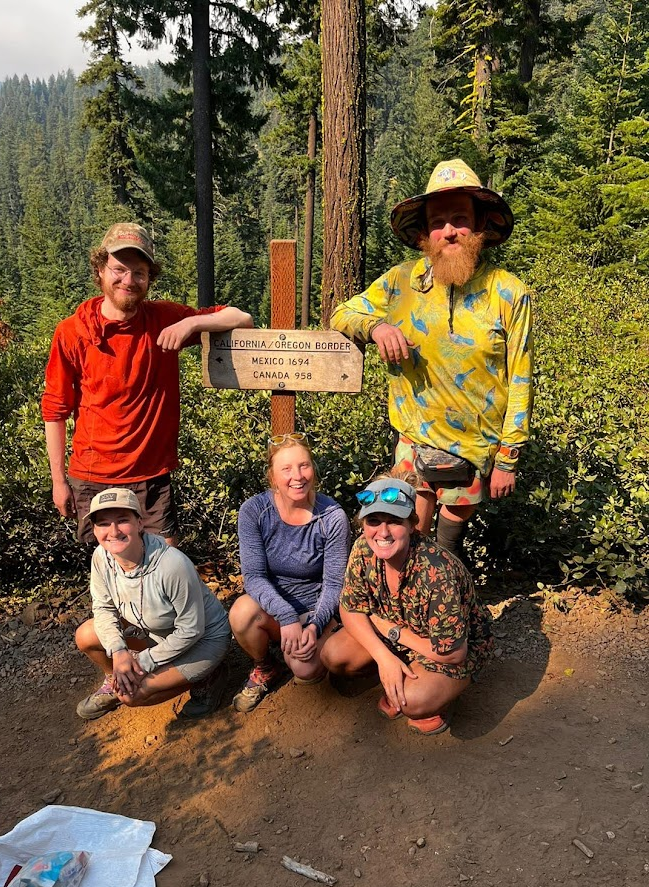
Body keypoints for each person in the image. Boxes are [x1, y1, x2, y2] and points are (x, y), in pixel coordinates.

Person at [330, 159, 534, 561]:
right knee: (411, 536)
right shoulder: (400, 281)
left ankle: (450, 611)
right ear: (424, 233)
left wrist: (509, 457)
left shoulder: (509, 292)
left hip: (476, 448)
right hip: (414, 439)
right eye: (438, 222)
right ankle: (413, 611)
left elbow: (521, 379)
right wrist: (377, 328)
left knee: (448, 545)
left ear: (480, 227)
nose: (450, 230)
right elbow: (341, 314)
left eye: (460, 219)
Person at [42, 222, 253, 545]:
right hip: (92, 476)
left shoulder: (165, 319)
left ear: (149, 279)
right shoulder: (73, 332)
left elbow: (241, 318)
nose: (128, 280)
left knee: (162, 567)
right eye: (119, 269)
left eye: (139, 273)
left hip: (151, 477)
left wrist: (192, 322)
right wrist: (59, 482)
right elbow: (55, 411)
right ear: (100, 270)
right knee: (109, 571)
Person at [321, 475, 494, 735]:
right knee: (333, 655)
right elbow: (350, 607)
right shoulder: (363, 549)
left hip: (451, 645)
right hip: (399, 629)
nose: (382, 532)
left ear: (413, 524)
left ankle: (443, 694)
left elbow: (453, 652)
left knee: (411, 700)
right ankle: (402, 669)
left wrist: (390, 630)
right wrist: (384, 657)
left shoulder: (436, 570)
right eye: (374, 521)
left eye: (394, 521)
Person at [74, 488, 231, 721]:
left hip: (203, 640)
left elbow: (191, 630)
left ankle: (209, 677)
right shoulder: (101, 557)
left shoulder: (172, 565)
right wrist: (118, 653)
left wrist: (143, 661)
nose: (113, 531)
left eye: (122, 520)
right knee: (86, 634)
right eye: (103, 524)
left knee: (132, 696)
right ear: (95, 530)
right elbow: (103, 608)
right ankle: (116, 678)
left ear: (139, 523)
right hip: (156, 632)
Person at [229, 433, 351, 712]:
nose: (297, 476)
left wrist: (315, 624)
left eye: (304, 466)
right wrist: (285, 617)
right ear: (272, 477)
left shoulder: (332, 517)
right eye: (286, 469)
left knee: (305, 670)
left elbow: (334, 583)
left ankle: (310, 644)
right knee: (241, 613)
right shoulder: (255, 511)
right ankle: (265, 666)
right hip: (274, 609)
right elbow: (254, 576)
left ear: (314, 469)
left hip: (314, 607)